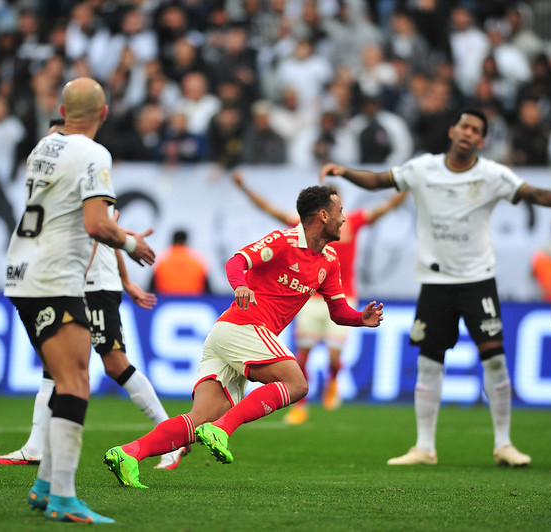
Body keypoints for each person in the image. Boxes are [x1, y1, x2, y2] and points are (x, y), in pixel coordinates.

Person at [319, 108, 551, 468]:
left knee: (495, 359)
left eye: (476, 129)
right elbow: (379, 180)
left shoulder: (492, 175)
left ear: (482, 140)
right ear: (452, 131)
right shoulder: (422, 168)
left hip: (478, 281)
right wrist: (345, 172)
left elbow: (533, 192)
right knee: (429, 363)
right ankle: (424, 447)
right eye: (464, 126)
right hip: (435, 282)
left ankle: (504, 444)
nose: (468, 132)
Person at [102, 185, 384, 488]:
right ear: (323, 215)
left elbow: (338, 310)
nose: (344, 219)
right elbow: (237, 261)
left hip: (232, 336)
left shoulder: (328, 261)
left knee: (201, 419)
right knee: (296, 383)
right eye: (340, 211)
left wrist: (359, 319)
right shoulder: (284, 240)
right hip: (243, 325)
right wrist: (239, 285)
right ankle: (224, 430)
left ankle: (128, 453)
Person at [4, 77, 155, 523]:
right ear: (103, 113)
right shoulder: (94, 154)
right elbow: (95, 223)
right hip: (54, 277)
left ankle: (45, 486)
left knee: (65, 378)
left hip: (23, 270)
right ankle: (63, 497)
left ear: (63, 111)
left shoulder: (43, 147)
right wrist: (130, 243)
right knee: (74, 383)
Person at [231, 170, 406, 423]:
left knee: (334, 356)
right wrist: (244, 187)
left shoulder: (353, 222)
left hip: (342, 296)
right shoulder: (302, 229)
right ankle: (300, 405)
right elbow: (271, 210)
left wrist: (409, 186)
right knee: (303, 355)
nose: (341, 215)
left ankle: (333, 380)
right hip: (310, 298)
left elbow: (386, 207)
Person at [149, 229, 211, 295]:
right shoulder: (197, 261)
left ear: (172, 241)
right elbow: (208, 289)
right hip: (193, 300)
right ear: (186, 241)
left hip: (167, 301)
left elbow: (151, 287)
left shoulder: (162, 261)